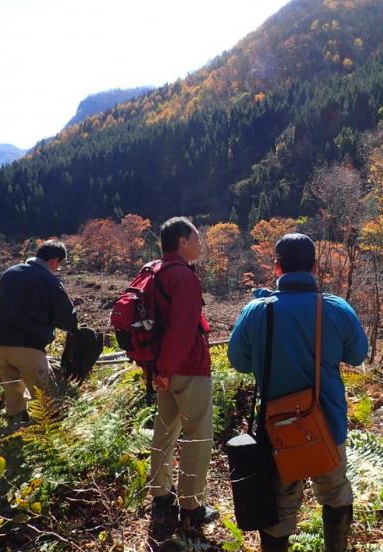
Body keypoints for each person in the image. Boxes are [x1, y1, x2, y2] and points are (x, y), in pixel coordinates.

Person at [228, 233, 368, 552]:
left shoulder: (257, 310)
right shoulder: (335, 308)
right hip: (327, 424)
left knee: (278, 508)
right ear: (315, 267)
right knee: (335, 494)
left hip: (277, 431)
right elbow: (358, 354)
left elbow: (238, 360)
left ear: (276, 268)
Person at [147, 217, 218, 541]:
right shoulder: (184, 278)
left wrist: (159, 370)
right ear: (181, 242)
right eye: (196, 238)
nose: (200, 243)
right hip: (186, 368)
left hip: (165, 370)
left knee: (165, 431)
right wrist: (166, 368)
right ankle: (191, 505)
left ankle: (161, 495)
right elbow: (182, 330)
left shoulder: (156, 272)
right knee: (197, 436)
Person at [0, 240, 77, 423]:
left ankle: (16, 437)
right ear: (53, 261)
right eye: (59, 264)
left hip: (0, 347)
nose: (58, 269)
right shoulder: (49, 281)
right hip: (28, 348)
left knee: (14, 401)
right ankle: (53, 442)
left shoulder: (10, 273)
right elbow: (68, 320)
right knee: (47, 401)